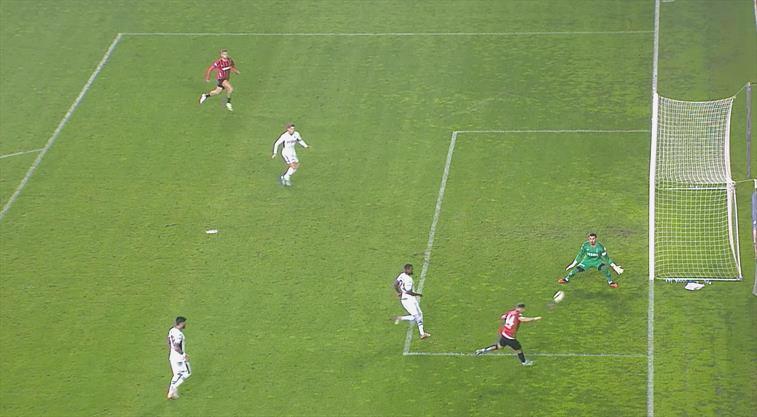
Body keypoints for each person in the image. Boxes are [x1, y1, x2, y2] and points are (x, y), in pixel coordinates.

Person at [474, 303, 541, 366]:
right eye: (523, 309)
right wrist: (534, 319)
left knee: (499, 346)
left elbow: (503, 317)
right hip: (510, 337)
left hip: (504, 334)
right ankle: (524, 362)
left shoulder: (510, 312)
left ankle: (482, 350)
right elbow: (523, 319)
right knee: (519, 349)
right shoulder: (518, 315)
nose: (524, 310)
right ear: (520, 308)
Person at [558, 232, 624, 288]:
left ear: (596, 239)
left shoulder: (600, 247)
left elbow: (607, 258)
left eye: (593, 239)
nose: (592, 240)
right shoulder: (585, 245)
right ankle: (566, 279)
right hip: (587, 261)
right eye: (590, 239)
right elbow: (580, 255)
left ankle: (611, 282)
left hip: (597, 261)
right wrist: (573, 264)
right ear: (588, 239)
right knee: (575, 270)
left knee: (604, 269)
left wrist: (614, 266)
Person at [392, 264, 431, 339]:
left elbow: (395, 284)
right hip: (409, 300)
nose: (412, 270)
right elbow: (409, 292)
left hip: (407, 299)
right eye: (410, 269)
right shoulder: (408, 280)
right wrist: (418, 294)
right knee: (417, 316)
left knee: (419, 314)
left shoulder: (402, 275)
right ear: (406, 270)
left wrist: (399, 292)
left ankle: (400, 318)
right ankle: (422, 334)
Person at [167, 316, 191, 400]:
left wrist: (172, 351)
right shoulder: (179, 334)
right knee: (187, 372)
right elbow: (177, 346)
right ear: (181, 323)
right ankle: (173, 388)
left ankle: (171, 392)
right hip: (179, 358)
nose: (185, 325)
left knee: (177, 374)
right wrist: (184, 355)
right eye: (184, 323)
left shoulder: (171, 330)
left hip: (172, 356)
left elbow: (169, 342)